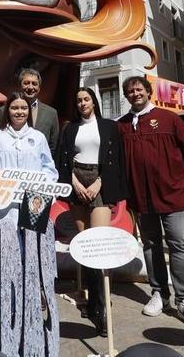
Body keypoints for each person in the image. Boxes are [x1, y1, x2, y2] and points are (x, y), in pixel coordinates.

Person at [116, 76, 184, 331]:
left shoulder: (169, 119)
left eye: (139, 89)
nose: (135, 94)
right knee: (151, 245)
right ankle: (159, 293)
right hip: (142, 199)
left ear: (148, 92)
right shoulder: (122, 126)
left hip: (172, 196)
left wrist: (172, 175)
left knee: (178, 245)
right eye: (130, 91)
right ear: (126, 96)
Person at [55, 87, 129, 336]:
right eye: (78, 100)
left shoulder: (109, 126)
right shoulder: (70, 128)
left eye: (86, 99)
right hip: (77, 178)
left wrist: (100, 183)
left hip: (99, 179)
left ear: (93, 102)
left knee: (98, 245)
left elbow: (115, 159)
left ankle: (99, 306)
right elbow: (63, 159)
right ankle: (95, 300)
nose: (82, 103)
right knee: (84, 247)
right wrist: (74, 182)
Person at [0, 92, 58, 223]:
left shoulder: (38, 137)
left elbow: (48, 167)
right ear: (8, 111)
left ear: (29, 111)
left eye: (24, 108)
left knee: (32, 240)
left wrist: (41, 187)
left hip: (33, 202)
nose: (19, 112)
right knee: (6, 240)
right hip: (4, 203)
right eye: (14, 108)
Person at [17, 68, 60, 155]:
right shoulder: (4, 111)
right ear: (19, 86)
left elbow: (53, 146)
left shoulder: (51, 113)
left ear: (39, 88)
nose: (30, 87)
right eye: (26, 83)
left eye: (34, 84)